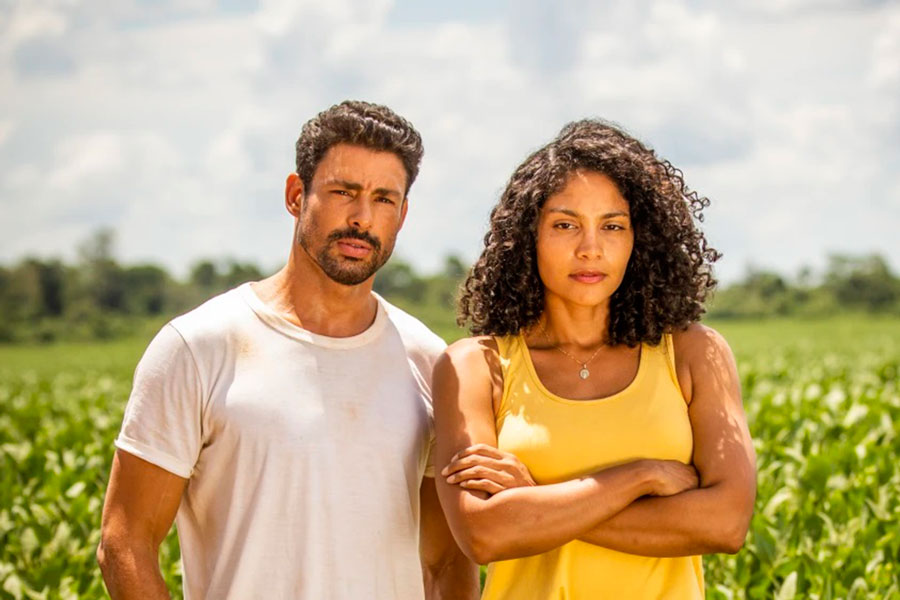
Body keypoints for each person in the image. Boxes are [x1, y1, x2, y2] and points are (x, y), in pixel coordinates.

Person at [97, 101, 479, 600]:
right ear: (296, 195)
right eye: (344, 192)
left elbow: (446, 559)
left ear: (402, 214)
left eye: (384, 199)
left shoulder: (429, 361)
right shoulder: (199, 347)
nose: (362, 218)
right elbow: (125, 543)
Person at [433, 119, 757, 599]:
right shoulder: (476, 366)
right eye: (565, 225)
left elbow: (726, 523)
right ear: (529, 237)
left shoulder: (693, 353)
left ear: (638, 239)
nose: (590, 248)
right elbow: (485, 534)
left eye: (612, 226)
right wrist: (639, 477)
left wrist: (534, 499)